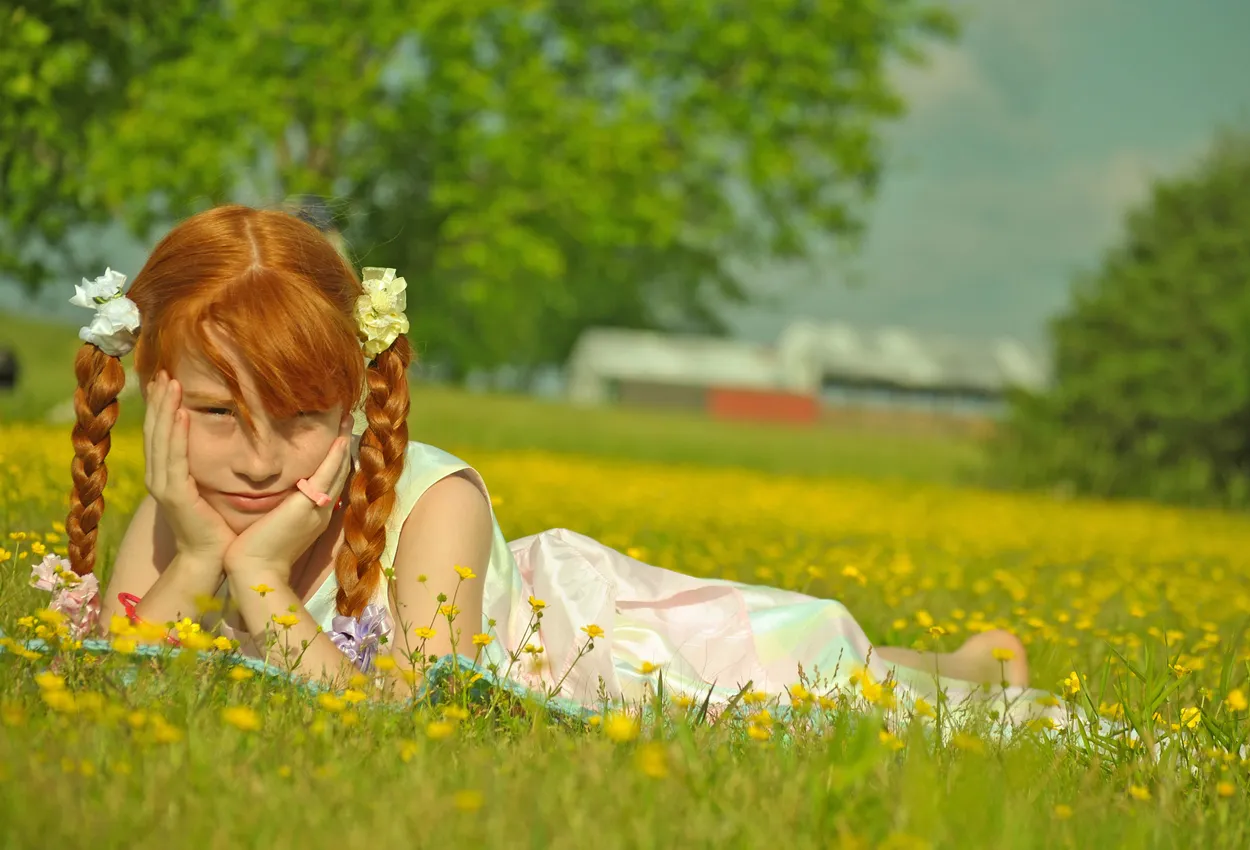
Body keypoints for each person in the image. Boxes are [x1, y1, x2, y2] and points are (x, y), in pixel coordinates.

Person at [66, 204, 1039, 715]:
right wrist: (198, 560)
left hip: (600, 640)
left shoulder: (432, 500)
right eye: (216, 411)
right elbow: (115, 690)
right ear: (160, 396)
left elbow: (401, 719)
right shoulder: (181, 503)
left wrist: (255, 577)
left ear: (357, 405)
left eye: (301, 416)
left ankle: (968, 665)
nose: (258, 458)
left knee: (818, 671)